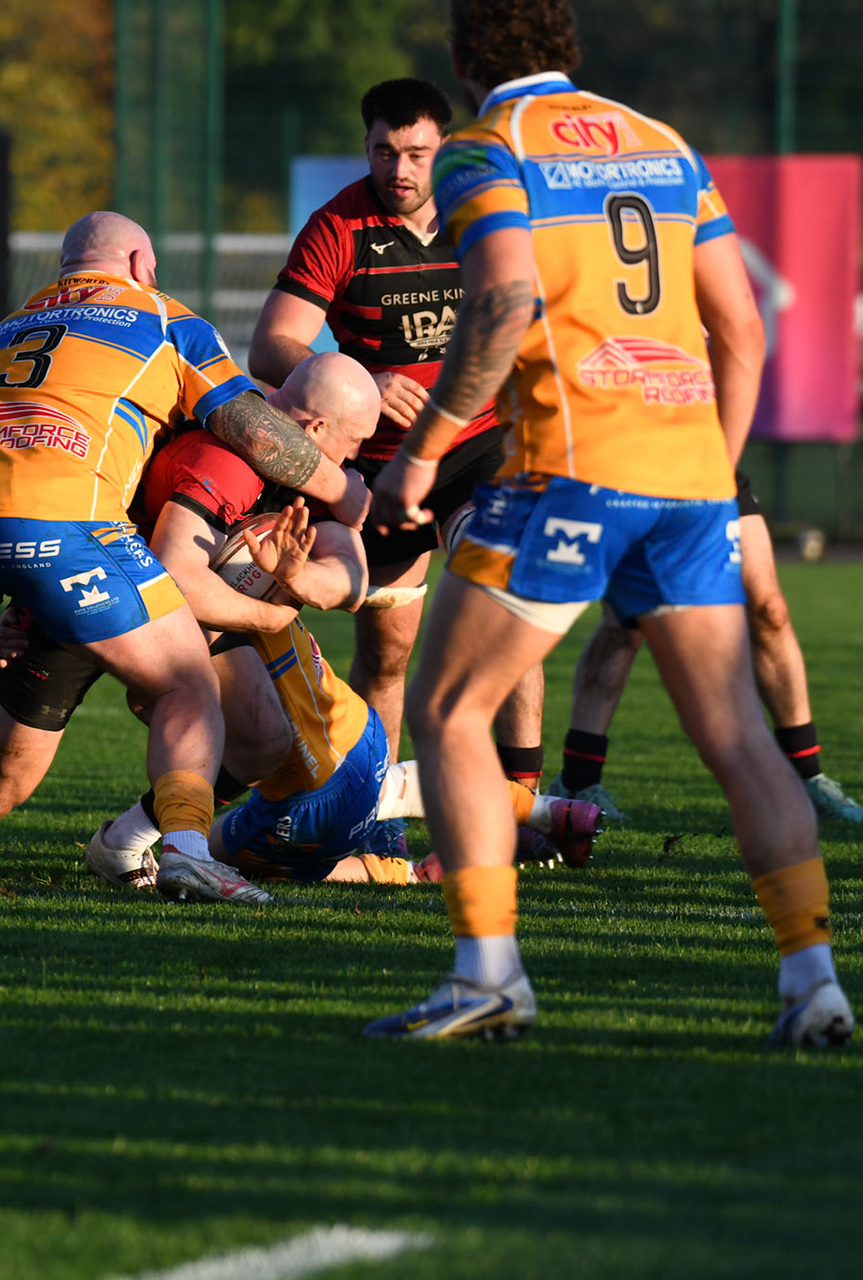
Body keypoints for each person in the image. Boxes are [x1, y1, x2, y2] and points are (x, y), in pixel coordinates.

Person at [364, 0, 855, 1046]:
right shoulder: (662, 142)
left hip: (571, 474)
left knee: (450, 711)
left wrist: (419, 453)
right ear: (568, 48)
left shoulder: (485, 148)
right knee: (735, 737)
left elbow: (499, 301)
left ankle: (489, 972)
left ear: (461, 59)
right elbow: (743, 327)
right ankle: (813, 978)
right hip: (684, 477)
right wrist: (710, 474)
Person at [0, 212, 370, 904]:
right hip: (79, 530)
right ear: (140, 265)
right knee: (184, 685)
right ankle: (185, 849)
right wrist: (345, 488)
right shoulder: (163, 316)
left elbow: (9, 462)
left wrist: (9, 591)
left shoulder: (3, 331)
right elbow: (247, 424)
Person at [249, 76, 546, 868]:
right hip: (380, 472)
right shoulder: (338, 226)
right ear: (368, 147)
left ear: (441, 147)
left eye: (416, 152)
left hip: (479, 447)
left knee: (508, 603)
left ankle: (527, 810)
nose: (401, 168)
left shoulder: (482, 214)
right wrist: (360, 381)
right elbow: (273, 346)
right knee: (387, 652)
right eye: (385, 150)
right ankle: (380, 820)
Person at [547, 471, 863, 825]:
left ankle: (806, 775)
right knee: (624, 626)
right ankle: (578, 782)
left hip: (708, 465)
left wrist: (714, 475)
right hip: (628, 464)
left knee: (770, 610)